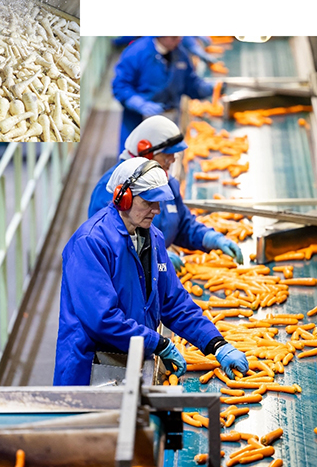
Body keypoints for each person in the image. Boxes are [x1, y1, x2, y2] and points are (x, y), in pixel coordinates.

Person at [53, 157, 249, 386]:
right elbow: (102, 319)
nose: (156, 210)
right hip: (88, 370)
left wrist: (216, 344)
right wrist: (157, 342)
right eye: (149, 202)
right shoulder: (90, 243)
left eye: (159, 203)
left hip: (131, 362)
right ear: (123, 198)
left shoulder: (153, 237)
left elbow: (174, 303)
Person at [88, 115, 243, 271]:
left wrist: (209, 238)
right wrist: (150, 257)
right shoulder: (112, 188)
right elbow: (107, 242)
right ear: (146, 152)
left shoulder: (165, 181)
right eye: (167, 155)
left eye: (174, 155)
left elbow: (182, 224)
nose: (173, 160)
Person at [112, 36, 216, 151]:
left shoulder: (179, 53)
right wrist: (139, 103)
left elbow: (190, 84)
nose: (179, 40)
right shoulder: (136, 53)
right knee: (137, 160)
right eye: (173, 38)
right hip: (139, 121)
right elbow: (120, 86)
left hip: (170, 120)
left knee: (166, 159)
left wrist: (207, 88)